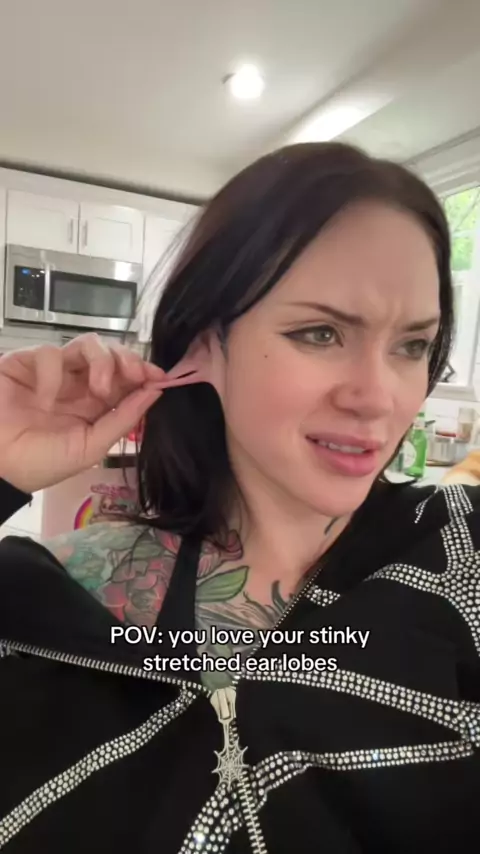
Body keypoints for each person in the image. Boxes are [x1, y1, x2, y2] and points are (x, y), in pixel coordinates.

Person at [0, 141, 478, 854]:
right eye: (320, 333)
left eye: (412, 346)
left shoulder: (461, 551)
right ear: (205, 345)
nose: (378, 397)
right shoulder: (50, 600)